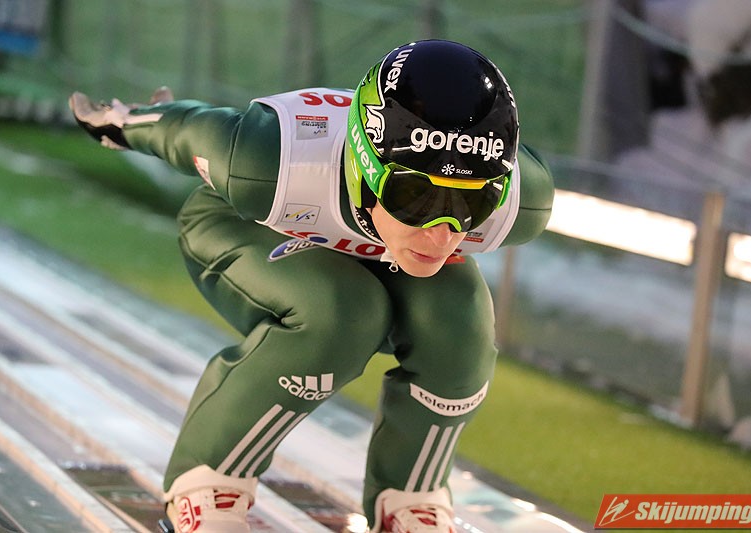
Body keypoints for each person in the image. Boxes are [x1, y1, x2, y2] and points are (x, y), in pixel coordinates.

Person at [69, 39, 554, 533]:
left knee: (461, 324)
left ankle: (412, 497)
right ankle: (207, 483)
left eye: (473, 203)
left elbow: (454, 216)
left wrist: (419, 206)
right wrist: (128, 122)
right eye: (415, 196)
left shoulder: (521, 200)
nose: (441, 233)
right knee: (340, 313)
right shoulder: (271, 160)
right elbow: (187, 130)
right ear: (363, 164)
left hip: (380, 247)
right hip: (251, 227)